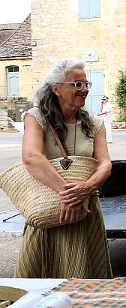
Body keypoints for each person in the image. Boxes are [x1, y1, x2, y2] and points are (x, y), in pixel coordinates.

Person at [15, 59, 113, 278]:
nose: (85, 89)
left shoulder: (95, 123)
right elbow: (31, 157)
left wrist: (86, 188)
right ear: (56, 89)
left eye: (86, 84)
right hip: (49, 205)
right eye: (77, 84)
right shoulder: (36, 117)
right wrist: (70, 196)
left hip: (85, 209)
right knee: (42, 276)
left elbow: (105, 163)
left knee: (85, 278)